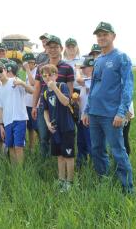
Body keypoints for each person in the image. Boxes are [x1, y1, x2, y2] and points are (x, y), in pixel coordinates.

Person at [82, 21, 134, 194]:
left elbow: (128, 86)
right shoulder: (98, 61)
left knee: (118, 151)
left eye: (105, 34)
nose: (102, 37)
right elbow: (94, 87)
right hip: (95, 114)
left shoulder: (121, 57)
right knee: (97, 149)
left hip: (111, 115)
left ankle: (127, 189)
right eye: (99, 35)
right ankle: (103, 181)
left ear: (113, 36)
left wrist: (121, 112)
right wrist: (86, 110)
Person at [31, 35, 74, 159]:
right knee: (43, 136)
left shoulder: (67, 68)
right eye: (50, 47)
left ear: (61, 48)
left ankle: (60, 159)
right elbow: (37, 88)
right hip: (44, 107)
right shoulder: (41, 67)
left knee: (60, 135)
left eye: (55, 47)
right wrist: (34, 106)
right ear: (46, 48)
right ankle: (45, 160)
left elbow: (70, 91)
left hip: (61, 108)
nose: (52, 49)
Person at [41, 64, 75, 192]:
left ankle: (70, 182)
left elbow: (66, 102)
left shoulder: (62, 86)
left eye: (50, 74)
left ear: (56, 75)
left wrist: (55, 88)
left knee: (68, 156)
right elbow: (45, 110)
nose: (47, 77)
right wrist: (48, 123)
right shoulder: (45, 93)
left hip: (67, 127)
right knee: (59, 156)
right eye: (44, 75)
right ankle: (61, 180)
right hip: (55, 129)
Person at [0, 61, 34, 164]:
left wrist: (22, 83)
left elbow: (32, 91)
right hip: (7, 122)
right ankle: (14, 171)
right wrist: (1, 125)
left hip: (19, 119)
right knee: (10, 147)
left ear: (5, 70)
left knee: (18, 147)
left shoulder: (15, 80)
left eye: (0, 70)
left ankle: (20, 173)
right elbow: (0, 109)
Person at [75, 57, 94, 168]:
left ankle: (95, 168)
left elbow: (78, 80)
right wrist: (77, 100)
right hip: (82, 117)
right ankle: (81, 165)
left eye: (84, 68)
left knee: (91, 144)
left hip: (89, 118)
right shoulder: (87, 79)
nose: (82, 70)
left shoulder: (93, 79)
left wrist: (76, 70)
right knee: (81, 142)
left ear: (91, 68)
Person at [22, 53, 38, 151]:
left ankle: (43, 145)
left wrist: (27, 69)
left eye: (29, 63)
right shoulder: (28, 72)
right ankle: (31, 147)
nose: (27, 65)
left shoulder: (36, 70)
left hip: (34, 104)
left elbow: (33, 83)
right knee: (30, 128)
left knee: (37, 127)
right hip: (26, 103)